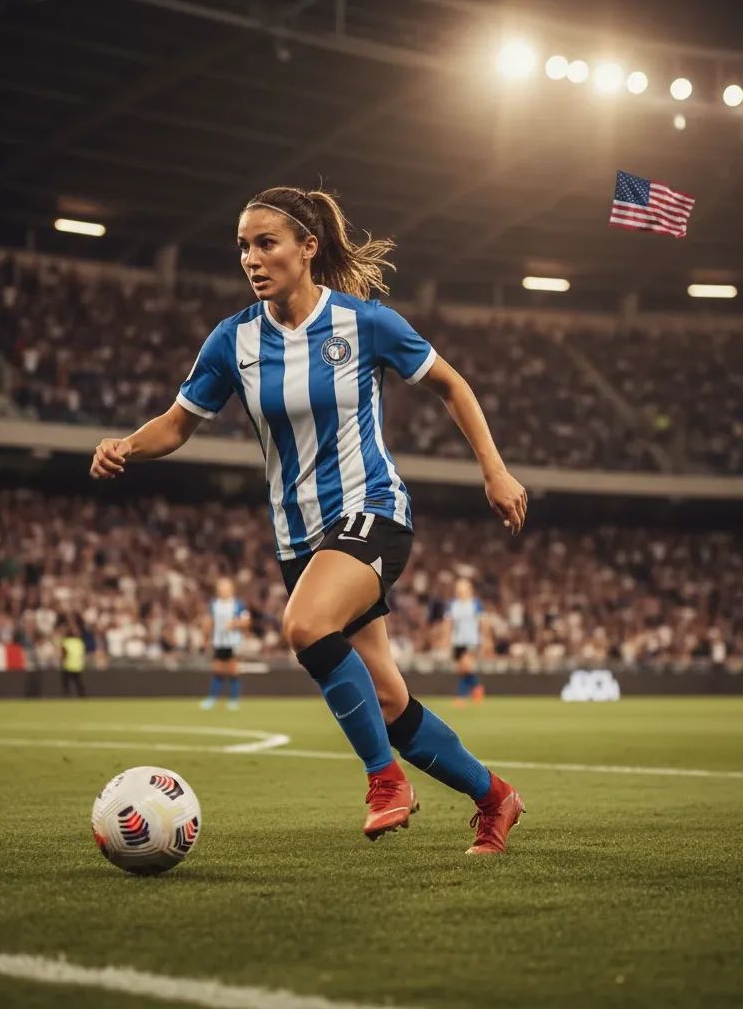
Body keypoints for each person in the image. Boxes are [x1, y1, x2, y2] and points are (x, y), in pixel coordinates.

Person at [91, 186, 528, 854]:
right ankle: (495, 798)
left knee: (304, 624)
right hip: (299, 536)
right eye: (242, 246)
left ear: (307, 248)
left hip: (373, 509)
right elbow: (178, 424)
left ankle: (386, 781)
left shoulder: (364, 323)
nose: (251, 258)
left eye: (266, 243)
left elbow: (452, 385)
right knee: (387, 702)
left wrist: (494, 470)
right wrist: (127, 444)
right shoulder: (232, 340)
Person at [200, 577, 251, 711]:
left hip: (233, 642)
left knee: (233, 670)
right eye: (221, 588)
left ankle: (234, 700)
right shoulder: (213, 604)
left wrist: (234, 624)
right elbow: (209, 621)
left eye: (226, 587)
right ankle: (212, 698)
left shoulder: (238, 604)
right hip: (219, 641)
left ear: (231, 589)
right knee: (217, 670)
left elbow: (246, 622)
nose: (223, 590)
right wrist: (205, 637)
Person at [445, 577, 487, 705]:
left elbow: (483, 622)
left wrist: (485, 638)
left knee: (465, 666)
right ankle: (477, 687)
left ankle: (462, 696)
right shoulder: (453, 604)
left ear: (469, 590)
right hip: (457, 641)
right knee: (462, 669)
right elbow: (448, 623)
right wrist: (446, 638)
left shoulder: (475, 604)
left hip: (471, 640)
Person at [61, 618, 87, 698]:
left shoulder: (65, 641)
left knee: (66, 682)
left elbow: (63, 653)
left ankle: (67, 696)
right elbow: (82, 654)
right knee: (78, 682)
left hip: (68, 665)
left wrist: (63, 661)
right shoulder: (79, 642)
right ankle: (82, 696)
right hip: (77, 665)